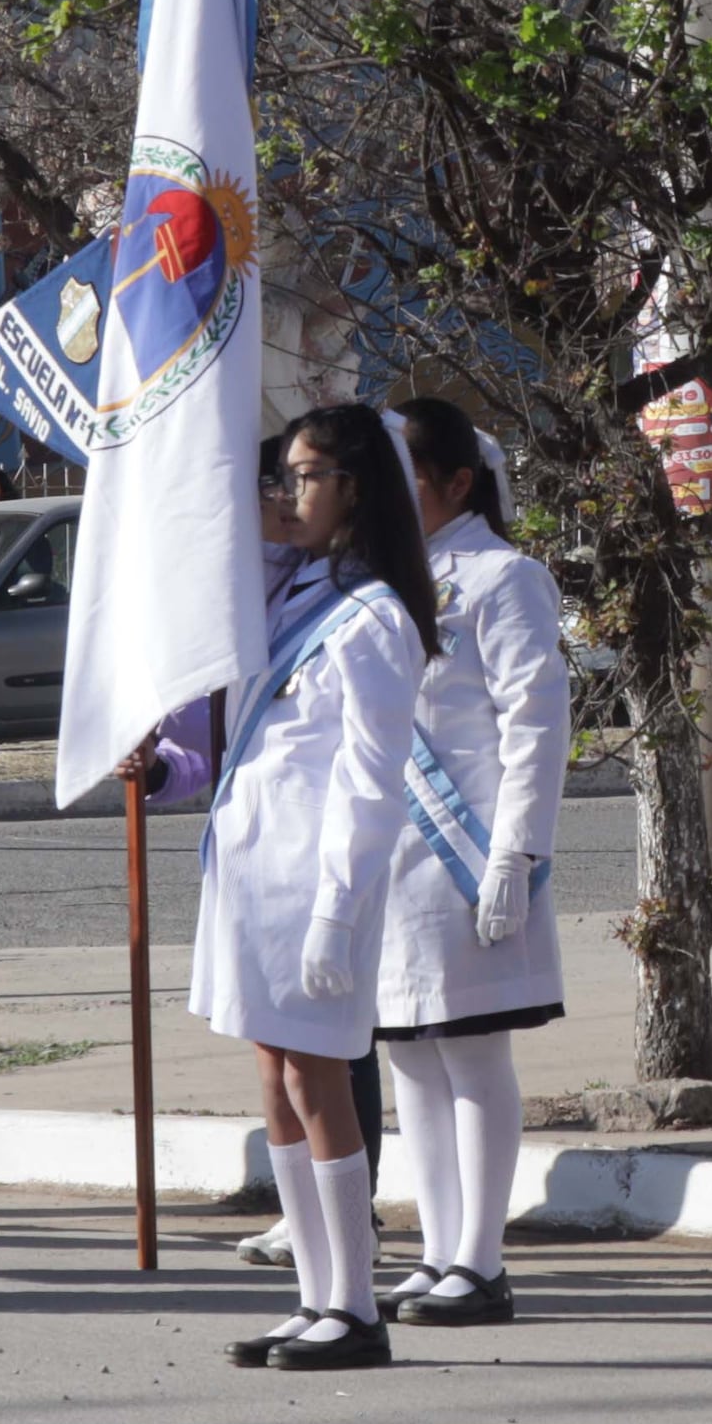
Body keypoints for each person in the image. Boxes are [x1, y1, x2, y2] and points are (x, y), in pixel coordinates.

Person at [161, 405, 434, 1372]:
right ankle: (313, 1294)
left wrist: (337, 909)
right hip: (252, 875)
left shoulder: (372, 619)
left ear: (356, 490)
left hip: (314, 885)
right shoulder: (294, 591)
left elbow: (370, 780)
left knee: (321, 1087)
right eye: (284, 476)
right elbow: (231, 563)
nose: (287, 495)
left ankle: (356, 1306)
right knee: (274, 1080)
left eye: (307, 476)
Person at [372, 398, 567, 1327]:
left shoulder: (504, 575)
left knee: (474, 1053)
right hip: (394, 855)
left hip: (468, 853)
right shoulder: (380, 580)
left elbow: (535, 720)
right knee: (411, 1056)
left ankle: (483, 1259)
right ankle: (440, 1248)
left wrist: (516, 852)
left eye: (405, 473)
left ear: (456, 482)